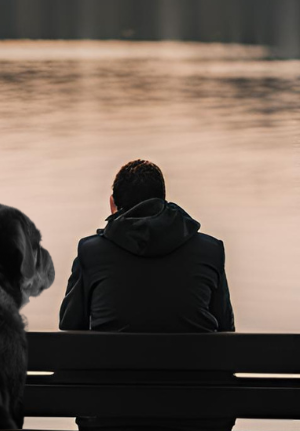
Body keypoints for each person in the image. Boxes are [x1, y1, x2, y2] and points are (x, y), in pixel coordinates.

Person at [58, 159, 235, 431]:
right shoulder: (210, 251)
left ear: (113, 204)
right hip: (196, 417)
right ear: (163, 201)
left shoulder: (90, 253)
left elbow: (70, 332)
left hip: (111, 420)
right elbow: (226, 332)